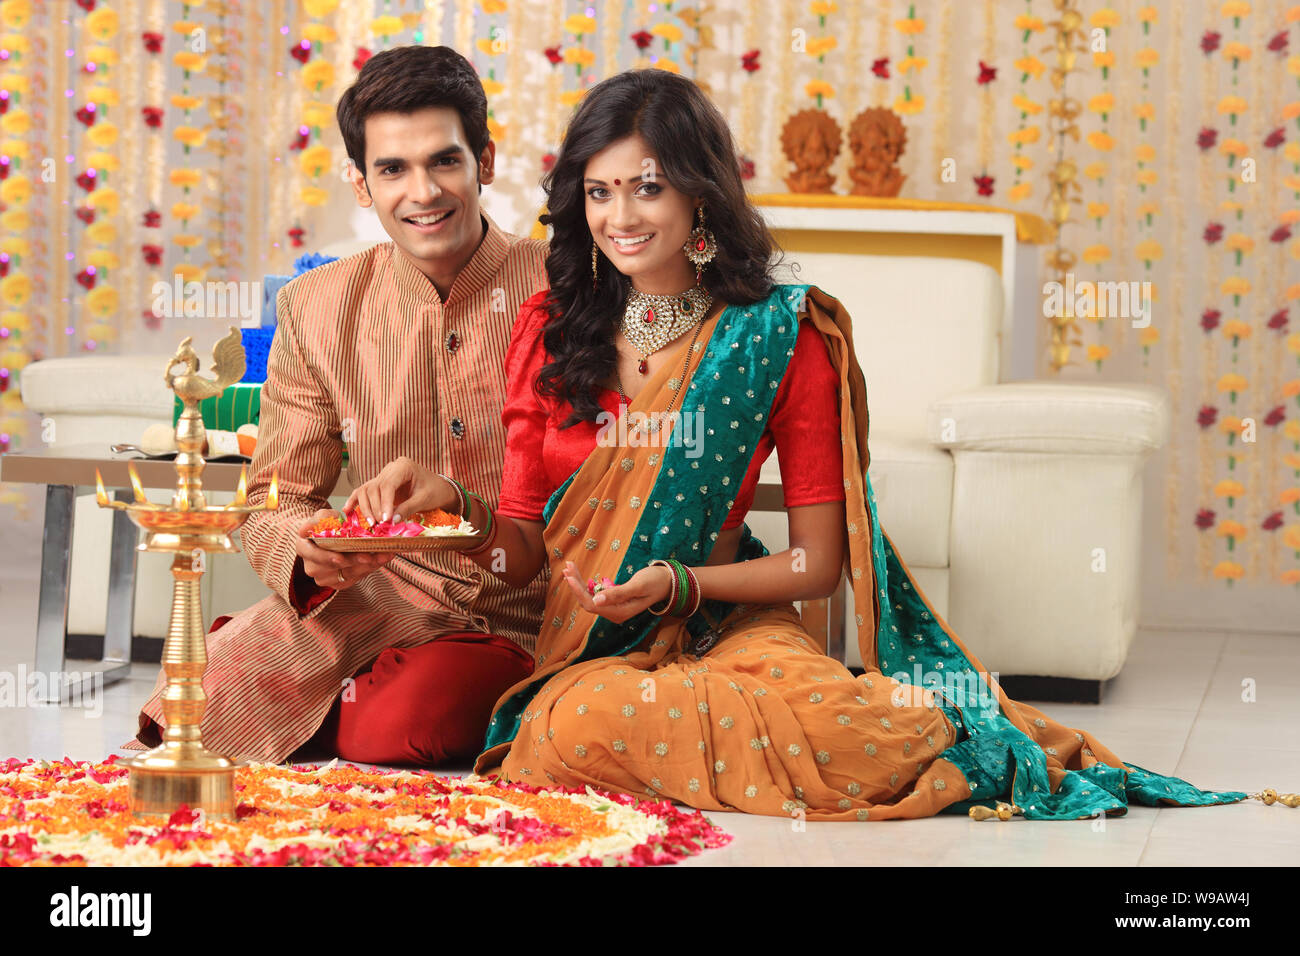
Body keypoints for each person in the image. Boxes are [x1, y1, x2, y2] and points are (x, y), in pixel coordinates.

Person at [347, 69, 1256, 820]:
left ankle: (941, 728)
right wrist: (452, 510)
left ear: (700, 193)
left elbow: (816, 565)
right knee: (564, 733)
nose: (621, 215)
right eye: (599, 190)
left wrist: (682, 585)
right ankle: (738, 736)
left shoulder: (780, 333)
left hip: (729, 621)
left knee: (857, 729)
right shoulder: (552, 326)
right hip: (590, 651)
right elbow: (521, 553)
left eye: (649, 186)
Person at [123, 46, 548, 767]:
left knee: (406, 722)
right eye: (392, 169)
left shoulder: (563, 289)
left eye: (445, 161)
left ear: (486, 160)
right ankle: (348, 685)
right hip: (380, 595)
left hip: (526, 603)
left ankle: (368, 697)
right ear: (360, 183)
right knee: (187, 701)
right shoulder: (317, 308)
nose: (424, 192)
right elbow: (277, 494)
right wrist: (307, 548)